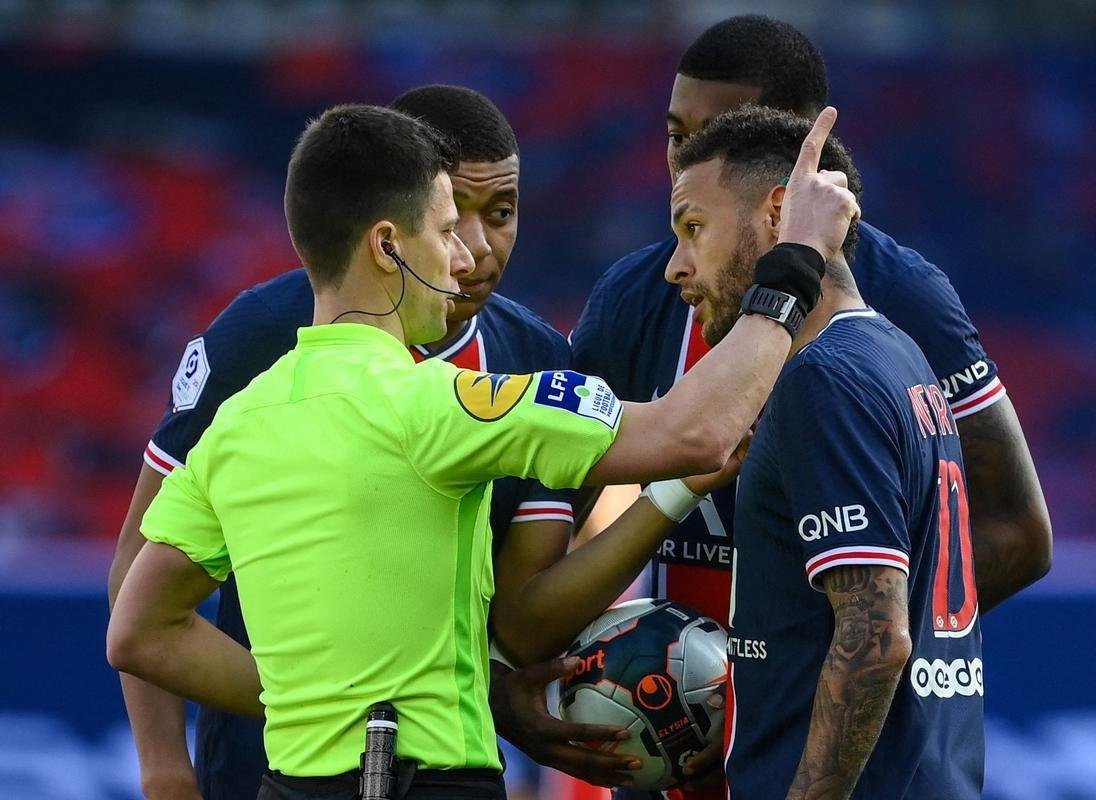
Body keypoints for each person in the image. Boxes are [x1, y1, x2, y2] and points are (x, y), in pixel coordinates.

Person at [107, 102, 858, 800]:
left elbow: (139, 629)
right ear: (386, 246)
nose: (465, 258)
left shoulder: (245, 420)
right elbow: (694, 431)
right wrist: (792, 263)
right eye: (444, 232)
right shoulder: (442, 403)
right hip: (426, 780)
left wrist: (314, 697)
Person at [569, 15, 1050, 794]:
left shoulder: (888, 305)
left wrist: (806, 647)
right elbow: (561, 514)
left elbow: (1014, 536)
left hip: (813, 743)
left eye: (718, 132)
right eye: (673, 133)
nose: (685, 159)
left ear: (792, 174)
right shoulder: (641, 294)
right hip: (688, 733)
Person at [667, 105, 983, 798]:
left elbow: (877, 637)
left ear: (780, 216)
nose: (675, 267)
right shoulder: (897, 354)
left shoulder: (825, 377)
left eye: (694, 229)